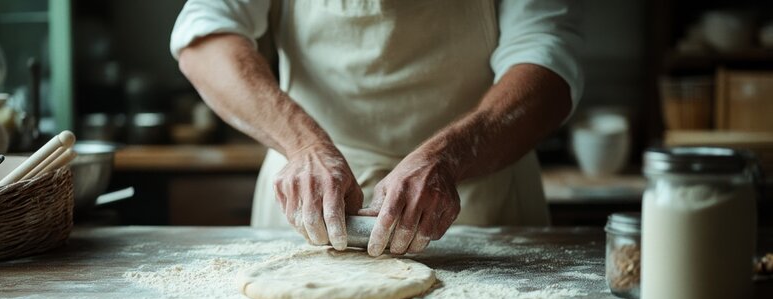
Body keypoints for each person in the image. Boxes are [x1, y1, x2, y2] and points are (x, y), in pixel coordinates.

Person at [171, 0, 583, 256]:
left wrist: (447, 157)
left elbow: (547, 56)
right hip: (308, 193)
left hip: (475, 194)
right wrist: (304, 146)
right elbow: (204, 37)